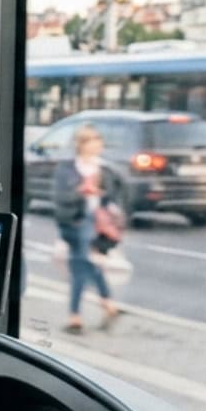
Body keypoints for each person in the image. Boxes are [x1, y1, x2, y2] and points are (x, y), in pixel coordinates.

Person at [52, 125, 121, 335]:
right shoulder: (68, 168)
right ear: (80, 145)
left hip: (94, 222)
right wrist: (81, 192)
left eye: (97, 141)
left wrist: (102, 195)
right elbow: (60, 197)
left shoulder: (105, 169)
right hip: (72, 222)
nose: (96, 146)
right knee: (86, 263)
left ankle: (75, 316)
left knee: (79, 264)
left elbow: (115, 196)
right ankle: (107, 301)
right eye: (91, 141)